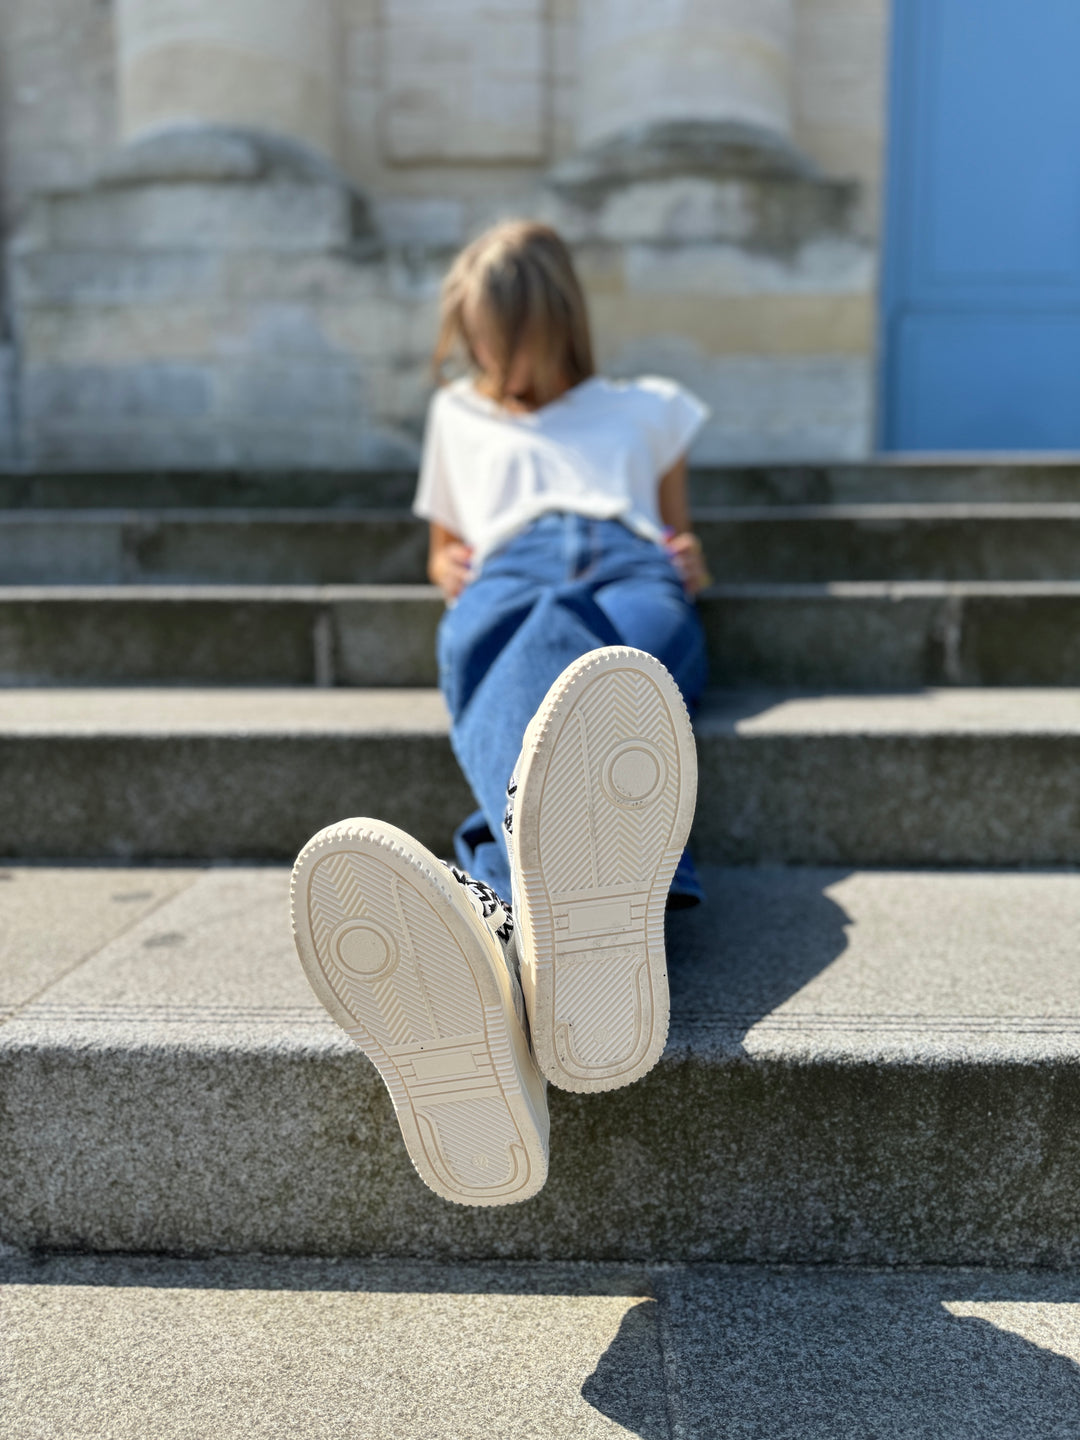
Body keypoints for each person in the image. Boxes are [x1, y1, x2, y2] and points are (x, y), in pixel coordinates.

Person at [291, 219, 711, 1210]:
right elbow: (447, 550)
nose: (484, 357)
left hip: (631, 563)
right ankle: (564, 923)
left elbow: (681, 527)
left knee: (608, 687)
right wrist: (451, 570)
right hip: (509, 568)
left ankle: (503, 933)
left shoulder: (646, 408)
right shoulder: (457, 419)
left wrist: (693, 560)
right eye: (472, 337)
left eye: (498, 335)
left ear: (550, 323)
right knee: (539, 640)